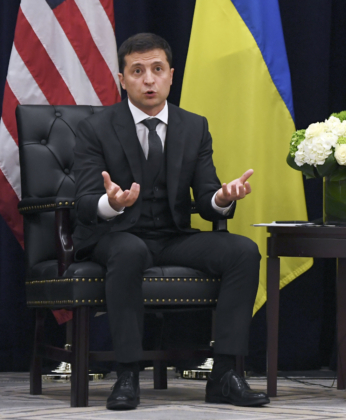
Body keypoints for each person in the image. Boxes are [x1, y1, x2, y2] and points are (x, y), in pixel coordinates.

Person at [73, 33, 269, 411]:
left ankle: (225, 374)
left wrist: (222, 198)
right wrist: (111, 202)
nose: (149, 80)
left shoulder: (193, 126)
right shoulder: (96, 128)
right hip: (115, 234)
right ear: (122, 79)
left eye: (157, 70)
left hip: (172, 234)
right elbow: (83, 203)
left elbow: (208, 196)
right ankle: (127, 373)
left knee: (243, 251)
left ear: (171, 75)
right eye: (138, 71)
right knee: (129, 251)